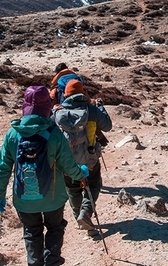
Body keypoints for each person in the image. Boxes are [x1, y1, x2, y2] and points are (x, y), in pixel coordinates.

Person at [0, 85, 89, 266]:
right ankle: (52, 261)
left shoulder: (13, 134)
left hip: (24, 198)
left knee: (31, 231)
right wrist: (80, 173)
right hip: (53, 197)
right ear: (48, 106)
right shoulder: (54, 134)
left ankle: (34, 263)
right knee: (55, 228)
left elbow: (3, 168)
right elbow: (68, 165)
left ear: (25, 106)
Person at [52, 79, 112, 233]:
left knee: (72, 189)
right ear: (82, 92)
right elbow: (107, 126)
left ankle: (78, 216)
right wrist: (101, 108)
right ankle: (86, 212)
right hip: (90, 158)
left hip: (67, 161)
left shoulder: (58, 112)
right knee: (94, 185)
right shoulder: (91, 110)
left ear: (66, 94)